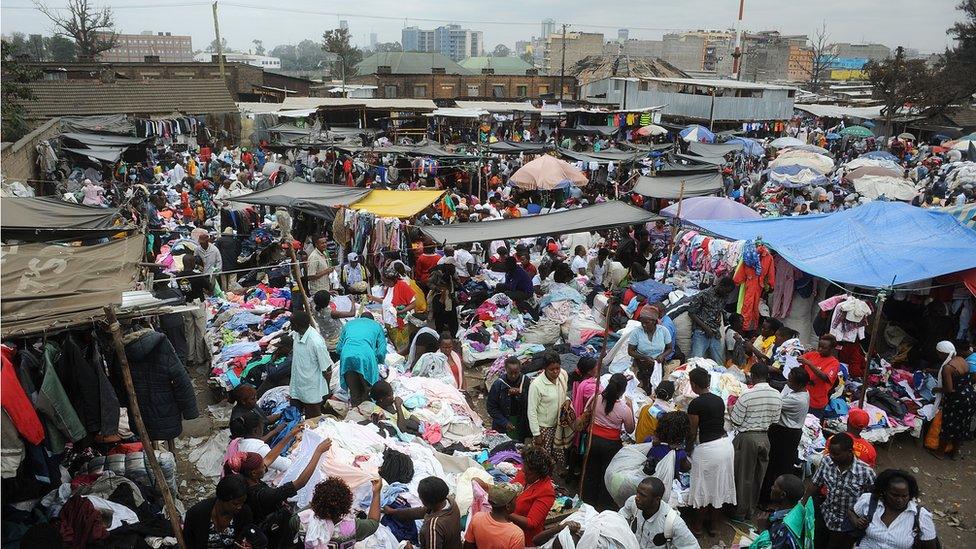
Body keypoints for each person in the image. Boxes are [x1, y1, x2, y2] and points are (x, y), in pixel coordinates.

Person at [232, 440, 331, 545]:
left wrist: (291, 434)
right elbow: (300, 482)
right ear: (254, 473)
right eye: (262, 466)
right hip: (271, 532)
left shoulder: (246, 480)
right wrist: (318, 452)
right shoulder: (264, 495)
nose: (265, 467)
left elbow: (269, 458)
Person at [686, 367, 736, 536]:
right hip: (725, 446)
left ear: (693, 384)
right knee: (719, 487)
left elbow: (692, 432)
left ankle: (697, 527)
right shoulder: (718, 399)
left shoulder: (695, 404)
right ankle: (714, 526)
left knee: (703, 487)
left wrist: (687, 450)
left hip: (708, 449)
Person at [729, 362, 782, 520]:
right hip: (765, 437)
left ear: (752, 376)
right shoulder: (777, 395)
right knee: (758, 476)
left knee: (744, 476)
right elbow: (775, 419)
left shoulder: (747, 395)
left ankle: (739, 512)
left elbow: (737, 421)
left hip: (747, 438)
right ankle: (750, 511)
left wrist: (731, 410)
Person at [806, 433, 875, 549]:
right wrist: (802, 504)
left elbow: (872, 500)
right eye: (831, 452)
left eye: (836, 454)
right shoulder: (827, 461)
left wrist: (860, 520)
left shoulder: (866, 472)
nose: (832, 456)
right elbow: (815, 483)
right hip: (826, 516)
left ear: (849, 451)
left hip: (848, 524)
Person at [581, 373, 635, 511]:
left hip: (593, 440)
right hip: (610, 445)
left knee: (591, 472)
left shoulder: (596, 398)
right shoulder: (624, 408)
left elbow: (586, 411)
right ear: (623, 390)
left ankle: (587, 504)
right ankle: (603, 507)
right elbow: (630, 429)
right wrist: (631, 407)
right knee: (606, 475)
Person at [849, 469, 939, 549]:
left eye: (904, 496)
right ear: (884, 492)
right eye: (895, 495)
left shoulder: (921, 516)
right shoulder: (869, 501)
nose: (900, 500)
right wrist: (857, 522)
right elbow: (851, 511)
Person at [760, 367, 810, 504]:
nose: (788, 381)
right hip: (789, 433)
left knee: (773, 465)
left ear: (799, 384)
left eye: (790, 380)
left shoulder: (798, 400)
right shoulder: (803, 393)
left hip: (785, 434)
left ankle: (767, 499)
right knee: (781, 465)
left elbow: (774, 403)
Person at [618, 477, 700, 549]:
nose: (637, 498)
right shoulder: (633, 503)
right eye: (637, 492)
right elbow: (619, 518)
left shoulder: (673, 523)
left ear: (657, 499)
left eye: (643, 495)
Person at [183, 475, 263, 549]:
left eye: (243, 502)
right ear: (222, 498)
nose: (240, 507)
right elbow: (189, 542)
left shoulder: (244, 513)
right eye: (235, 503)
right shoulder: (196, 514)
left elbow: (245, 536)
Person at [299, 477, 383, 547]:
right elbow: (373, 522)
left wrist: (318, 501)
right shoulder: (352, 528)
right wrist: (376, 493)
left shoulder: (301, 519)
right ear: (347, 505)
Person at [527, 352, 570, 471]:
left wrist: (567, 400)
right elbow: (532, 411)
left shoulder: (563, 375)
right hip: (544, 427)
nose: (556, 372)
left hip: (558, 424)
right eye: (552, 370)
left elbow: (563, 393)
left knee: (557, 452)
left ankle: (555, 475)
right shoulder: (536, 385)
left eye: (558, 368)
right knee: (543, 457)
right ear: (544, 369)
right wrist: (537, 434)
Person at [934, 340, 976, 459]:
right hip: (970, 397)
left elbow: (949, 389)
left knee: (948, 425)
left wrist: (936, 390)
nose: (938, 356)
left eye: (938, 353)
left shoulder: (948, 367)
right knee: (962, 426)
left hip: (957, 399)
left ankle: (940, 453)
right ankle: (955, 454)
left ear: (942, 353)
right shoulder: (962, 360)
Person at [336, 312, 386, 406]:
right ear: (372, 320)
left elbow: (338, 348)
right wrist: (379, 361)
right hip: (365, 355)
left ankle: (356, 415)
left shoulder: (349, 324)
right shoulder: (376, 325)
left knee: (354, 392)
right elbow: (381, 351)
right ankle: (367, 415)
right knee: (368, 390)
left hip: (347, 354)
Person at [289, 311, 333, 418]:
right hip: (297, 384)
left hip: (311, 389)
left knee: (312, 420)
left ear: (297, 325)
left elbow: (327, 368)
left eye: (291, 323)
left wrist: (327, 390)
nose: (290, 326)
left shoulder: (316, 342)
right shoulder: (296, 334)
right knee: (294, 416)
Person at [177, 254, 214, 368]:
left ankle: (190, 358)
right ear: (193, 264)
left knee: (189, 332)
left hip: (186, 305)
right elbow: (210, 288)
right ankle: (201, 358)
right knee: (200, 332)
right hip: (197, 304)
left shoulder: (179, 277)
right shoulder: (198, 276)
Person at [463, 483, 525, 549]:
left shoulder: (477, 518)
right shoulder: (516, 534)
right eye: (515, 500)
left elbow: (468, 545)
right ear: (508, 506)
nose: (516, 502)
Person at [751, 474, 807, 548]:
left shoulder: (785, 528)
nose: (772, 488)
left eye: (774, 486)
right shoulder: (795, 512)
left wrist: (763, 530)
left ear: (782, 495)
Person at [688, 277, 735, 363]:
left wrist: (718, 316)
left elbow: (720, 309)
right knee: (695, 361)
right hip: (701, 331)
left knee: (719, 362)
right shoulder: (703, 295)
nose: (727, 294)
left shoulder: (724, 296)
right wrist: (706, 328)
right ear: (721, 285)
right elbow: (691, 313)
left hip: (715, 332)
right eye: (726, 291)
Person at [628, 307, 673, 392]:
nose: (644, 325)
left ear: (654, 322)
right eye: (642, 322)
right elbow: (630, 351)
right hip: (641, 365)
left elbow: (670, 348)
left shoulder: (663, 331)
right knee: (643, 388)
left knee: (657, 387)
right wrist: (644, 357)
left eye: (647, 322)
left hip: (658, 364)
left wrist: (662, 355)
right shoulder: (636, 332)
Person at [370, 272, 416, 351]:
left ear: (391, 280)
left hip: (399, 324)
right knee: (394, 346)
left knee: (402, 347)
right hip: (389, 323)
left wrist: (401, 312)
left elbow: (413, 303)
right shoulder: (389, 288)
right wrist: (373, 298)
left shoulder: (402, 286)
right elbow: (386, 302)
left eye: (385, 281)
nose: (383, 282)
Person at [486, 356, 529, 441]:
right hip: (502, 424)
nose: (513, 376)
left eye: (516, 373)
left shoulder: (526, 381)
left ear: (520, 370)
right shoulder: (498, 384)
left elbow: (532, 401)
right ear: (505, 370)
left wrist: (521, 392)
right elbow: (491, 408)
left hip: (522, 422)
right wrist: (504, 422)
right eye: (510, 373)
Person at [799, 334, 840, 419]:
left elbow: (825, 377)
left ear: (831, 349)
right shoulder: (812, 355)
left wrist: (810, 364)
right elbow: (799, 360)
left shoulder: (834, 363)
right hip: (802, 398)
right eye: (819, 346)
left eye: (824, 348)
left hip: (816, 403)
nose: (820, 349)